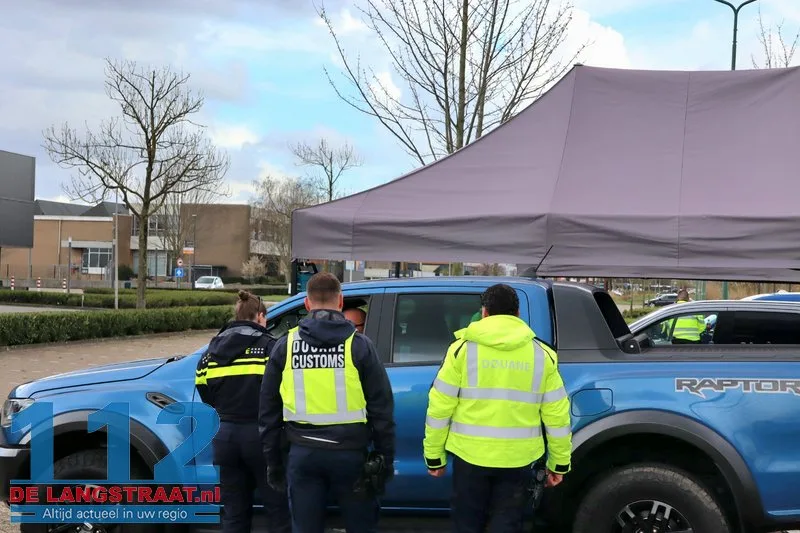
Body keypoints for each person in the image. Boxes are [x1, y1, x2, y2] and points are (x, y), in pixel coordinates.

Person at [423, 283, 572, 533]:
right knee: (507, 524)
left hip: (469, 457)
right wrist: (558, 464)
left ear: (484, 313)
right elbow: (556, 415)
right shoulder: (542, 355)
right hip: (518, 460)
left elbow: (440, 407)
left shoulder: (461, 350)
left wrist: (434, 456)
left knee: (467, 524)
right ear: (517, 315)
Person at [259, 272, 396, 533]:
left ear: (308, 305)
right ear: (341, 302)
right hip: (351, 456)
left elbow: (267, 412)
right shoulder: (360, 346)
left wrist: (273, 462)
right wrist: (384, 459)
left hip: (302, 454)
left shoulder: (285, 346)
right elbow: (382, 409)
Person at [195, 290, 291, 533]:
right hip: (262, 438)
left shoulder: (208, 355)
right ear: (260, 316)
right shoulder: (271, 349)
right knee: (278, 511)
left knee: (234, 513)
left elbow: (205, 394)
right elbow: (285, 393)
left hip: (225, 438)